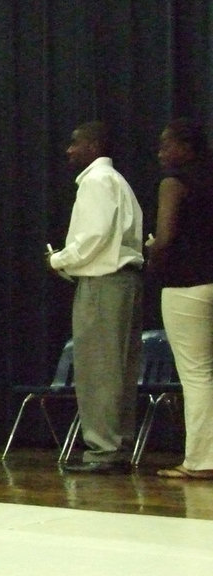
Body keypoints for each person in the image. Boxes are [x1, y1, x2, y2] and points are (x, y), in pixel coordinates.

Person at [47, 121, 144, 473]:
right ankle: (118, 445)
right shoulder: (119, 183)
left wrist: (58, 259)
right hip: (126, 282)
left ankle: (103, 449)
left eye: (75, 143)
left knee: (98, 368)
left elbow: (93, 237)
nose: (69, 150)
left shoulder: (96, 181)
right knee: (119, 369)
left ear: (94, 146)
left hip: (103, 283)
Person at [147, 118, 213, 479]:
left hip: (187, 284)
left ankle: (202, 460)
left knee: (197, 374)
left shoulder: (174, 182)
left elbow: (166, 236)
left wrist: (154, 261)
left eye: (166, 144)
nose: (160, 152)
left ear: (186, 147)